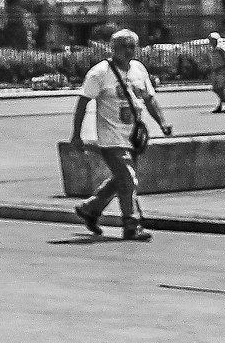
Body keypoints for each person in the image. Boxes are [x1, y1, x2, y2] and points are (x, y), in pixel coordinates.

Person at [69, 29, 171, 241]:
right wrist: (76, 135)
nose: (128, 50)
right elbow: (82, 103)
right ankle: (131, 225)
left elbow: (149, 99)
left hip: (132, 136)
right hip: (111, 137)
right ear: (113, 49)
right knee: (128, 178)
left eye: (132, 46)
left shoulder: (138, 70)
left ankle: (90, 208)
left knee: (122, 179)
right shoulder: (100, 73)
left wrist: (162, 122)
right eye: (123, 46)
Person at [205, 32, 225, 113]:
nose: (210, 41)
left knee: (220, 87)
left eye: (211, 39)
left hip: (221, 70)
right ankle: (223, 103)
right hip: (215, 70)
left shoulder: (221, 48)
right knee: (215, 88)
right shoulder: (213, 49)